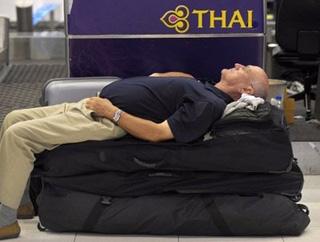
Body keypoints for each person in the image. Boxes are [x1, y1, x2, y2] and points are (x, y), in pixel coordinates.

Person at [0, 63, 269, 239]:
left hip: (104, 119)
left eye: (244, 68)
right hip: (92, 106)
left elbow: (158, 133)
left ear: (246, 89)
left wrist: (112, 112)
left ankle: (4, 221)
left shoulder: (209, 104)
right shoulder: (203, 87)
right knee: (13, 118)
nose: (237, 64)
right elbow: (160, 82)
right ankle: (21, 204)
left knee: (19, 135)